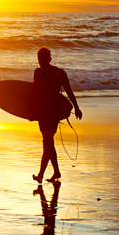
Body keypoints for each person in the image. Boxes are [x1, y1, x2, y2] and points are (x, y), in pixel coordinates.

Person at [32, 47, 81, 184]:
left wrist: (76, 108)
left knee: (47, 140)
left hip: (53, 111)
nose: (40, 62)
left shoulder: (59, 74)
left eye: (43, 59)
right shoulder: (37, 73)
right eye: (38, 59)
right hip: (42, 112)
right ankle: (56, 171)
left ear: (49, 59)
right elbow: (35, 94)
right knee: (48, 143)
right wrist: (30, 112)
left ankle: (41, 174)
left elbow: (69, 91)